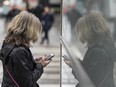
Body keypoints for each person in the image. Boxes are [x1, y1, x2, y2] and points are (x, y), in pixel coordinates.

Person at [0, 11, 51, 87]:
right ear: (29, 30)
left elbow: (17, 69)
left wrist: (34, 62)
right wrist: (40, 65)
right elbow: (28, 82)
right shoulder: (19, 51)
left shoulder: (8, 43)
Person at [64, 13, 116, 87]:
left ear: (88, 31)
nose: (79, 34)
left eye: (81, 30)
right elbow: (93, 70)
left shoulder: (98, 52)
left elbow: (88, 81)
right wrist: (78, 63)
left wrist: (74, 66)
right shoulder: (103, 47)